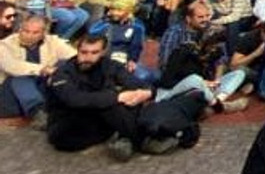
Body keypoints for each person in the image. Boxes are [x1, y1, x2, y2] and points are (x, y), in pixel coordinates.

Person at [45, 31, 203, 160]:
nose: (88, 57)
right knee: (110, 100)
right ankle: (144, 139)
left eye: (94, 53)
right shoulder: (64, 72)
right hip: (69, 125)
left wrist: (144, 92)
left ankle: (129, 137)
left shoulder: (109, 66)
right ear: (77, 50)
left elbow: (136, 83)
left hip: (101, 121)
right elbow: (74, 99)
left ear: (103, 52)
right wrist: (117, 97)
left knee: (127, 100)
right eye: (84, 52)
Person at [0, 14, 75, 127]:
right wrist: (43, 69)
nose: (29, 35)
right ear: (20, 29)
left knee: (67, 65)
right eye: (26, 31)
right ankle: (38, 114)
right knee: (20, 78)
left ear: (43, 33)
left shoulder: (52, 41)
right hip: (12, 94)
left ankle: (72, 105)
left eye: (35, 32)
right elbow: (11, 66)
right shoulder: (5, 44)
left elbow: (74, 57)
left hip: (42, 88)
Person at [87, 0, 151, 82]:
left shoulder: (137, 27)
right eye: (113, 9)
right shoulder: (107, 23)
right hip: (102, 57)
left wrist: (132, 61)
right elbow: (92, 33)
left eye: (119, 10)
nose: (115, 13)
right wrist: (106, 20)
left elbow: (136, 47)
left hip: (122, 59)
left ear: (129, 12)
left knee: (144, 76)